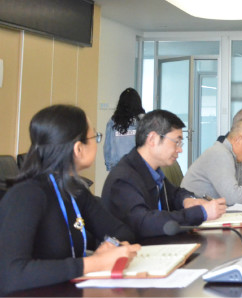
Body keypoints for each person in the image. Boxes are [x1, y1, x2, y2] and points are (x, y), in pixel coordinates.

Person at [0, 105, 140, 295]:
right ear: (78, 148)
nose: (97, 143)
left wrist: (112, 246)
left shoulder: (74, 189)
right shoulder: (26, 195)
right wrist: (95, 263)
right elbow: (11, 275)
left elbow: (122, 231)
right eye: (95, 137)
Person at [102, 109, 226, 239]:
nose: (180, 149)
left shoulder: (152, 171)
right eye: (176, 142)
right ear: (152, 139)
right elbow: (145, 223)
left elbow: (175, 193)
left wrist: (187, 200)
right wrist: (200, 213)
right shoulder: (124, 179)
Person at [104, 88, 145, 171]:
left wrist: (109, 165)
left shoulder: (113, 121)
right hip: (139, 166)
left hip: (118, 167)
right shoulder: (144, 120)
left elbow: (107, 146)